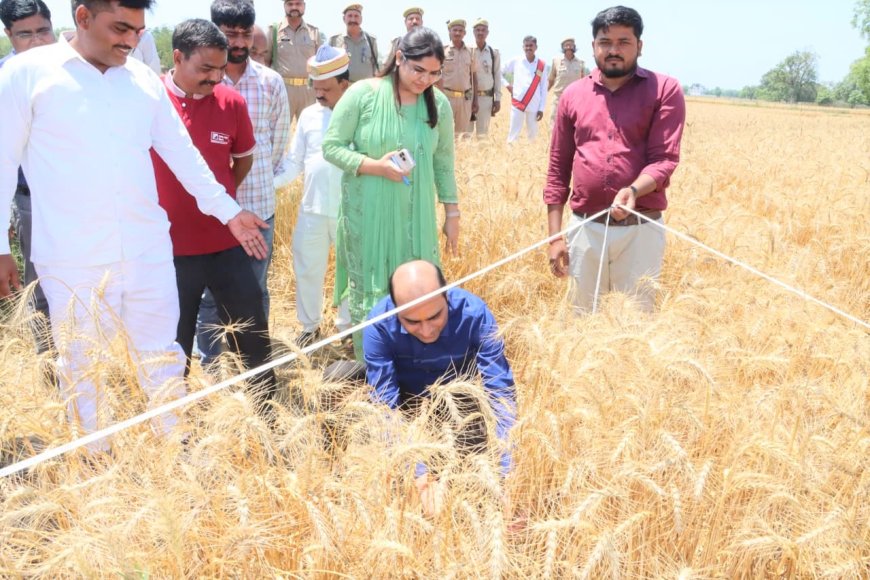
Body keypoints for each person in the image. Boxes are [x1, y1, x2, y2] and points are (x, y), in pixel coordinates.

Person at [0, 0, 269, 443]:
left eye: (139, 30)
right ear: (82, 17)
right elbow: (4, 161)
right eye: (121, 27)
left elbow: (184, 157)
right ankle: (95, 459)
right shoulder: (28, 74)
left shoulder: (143, 81)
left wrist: (230, 213)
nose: (131, 40)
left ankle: (173, 449)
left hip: (147, 250)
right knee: (82, 365)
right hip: (73, 258)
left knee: (163, 355)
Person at [151, 18, 278, 408]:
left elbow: (240, 163)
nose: (215, 79)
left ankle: (265, 413)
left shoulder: (231, 102)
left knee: (251, 334)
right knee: (173, 344)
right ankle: (173, 421)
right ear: (177, 57)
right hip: (167, 249)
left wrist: (222, 201)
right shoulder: (150, 99)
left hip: (226, 242)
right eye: (205, 69)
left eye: (221, 69)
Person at [321, 26, 458, 358]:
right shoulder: (363, 94)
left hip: (418, 217)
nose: (425, 79)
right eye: (418, 70)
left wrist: (452, 212)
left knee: (419, 288)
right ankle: (372, 363)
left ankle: (414, 363)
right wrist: (375, 166)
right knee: (373, 287)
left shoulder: (438, 104)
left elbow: (443, 162)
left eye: (434, 73)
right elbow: (331, 147)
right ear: (399, 58)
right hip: (370, 214)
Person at [544, 6, 686, 313]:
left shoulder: (664, 90)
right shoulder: (573, 95)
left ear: (640, 46)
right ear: (593, 45)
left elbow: (664, 159)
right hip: (584, 229)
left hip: (641, 230)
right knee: (581, 320)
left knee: (635, 322)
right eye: (605, 41)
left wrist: (633, 192)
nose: (613, 50)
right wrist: (555, 237)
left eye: (624, 42)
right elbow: (558, 167)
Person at [363, 260, 515, 513]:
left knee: (471, 465)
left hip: (459, 402)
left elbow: (499, 391)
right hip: (407, 403)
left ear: (447, 296)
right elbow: (384, 404)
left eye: (435, 316)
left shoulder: (475, 314)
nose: (426, 330)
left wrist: (508, 470)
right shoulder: (378, 325)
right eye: (412, 322)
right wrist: (419, 473)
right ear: (395, 309)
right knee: (338, 376)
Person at [197, 0, 291, 365]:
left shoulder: (271, 82)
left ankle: (254, 362)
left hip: (259, 208)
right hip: (212, 213)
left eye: (245, 33)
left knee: (255, 289)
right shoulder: (201, 80)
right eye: (229, 32)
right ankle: (211, 364)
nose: (238, 41)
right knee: (208, 297)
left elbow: (278, 144)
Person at [274, 45, 352, 347]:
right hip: (312, 209)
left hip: (350, 210)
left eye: (326, 89)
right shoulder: (307, 115)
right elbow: (295, 161)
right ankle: (309, 327)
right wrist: (269, 185)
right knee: (307, 269)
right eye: (315, 87)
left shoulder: (361, 114)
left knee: (351, 273)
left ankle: (347, 330)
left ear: (344, 84)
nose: (318, 94)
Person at [0, 0, 55, 354]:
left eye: (43, 31)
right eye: (25, 34)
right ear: (9, 35)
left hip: (87, 197)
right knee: (43, 289)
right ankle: (52, 370)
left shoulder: (77, 70)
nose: (36, 42)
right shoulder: (4, 79)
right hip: (32, 201)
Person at [267, 0, 323, 121]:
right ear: (284, 6)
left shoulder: (314, 32)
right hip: (283, 89)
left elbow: (321, 64)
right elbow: (266, 62)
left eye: (298, 4)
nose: (294, 7)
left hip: (308, 90)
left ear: (304, 6)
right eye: (290, 4)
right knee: (280, 133)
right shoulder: (274, 30)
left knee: (310, 131)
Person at [502, 35, 548, 143]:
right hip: (518, 103)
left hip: (534, 105)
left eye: (531, 46)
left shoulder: (542, 64)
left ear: (536, 47)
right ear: (523, 47)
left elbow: (543, 87)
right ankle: (510, 157)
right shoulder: (516, 61)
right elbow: (499, 71)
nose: (528, 48)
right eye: (526, 46)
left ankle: (532, 158)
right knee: (513, 136)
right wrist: (507, 85)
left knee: (532, 136)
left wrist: (541, 108)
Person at [438, 18, 477, 135]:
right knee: (444, 133)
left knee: (462, 135)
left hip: (465, 99)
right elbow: (437, 74)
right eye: (455, 30)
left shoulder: (471, 51)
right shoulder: (442, 50)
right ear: (449, 32)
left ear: (464, 33)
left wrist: (475, 99)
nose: (457, 33)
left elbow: (473, 76)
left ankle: (461, 154)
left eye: (461, 30)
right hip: (446, 98)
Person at [328, 3, 378, 83]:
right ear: (344, 19)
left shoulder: (371, 40)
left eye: (356, 16)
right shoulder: (334, 40)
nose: (353, 20)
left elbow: (375, 66)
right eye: (350, 16)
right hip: (343, 89)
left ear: (361, 19)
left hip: (366, 89)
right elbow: (328, 66)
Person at [469, 18, 500, 136]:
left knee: (483, 135)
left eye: (483, 30)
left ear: (487, 33)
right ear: (473, 32)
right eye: (477, 30)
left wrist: (498, 99)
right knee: (466, 134)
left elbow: (497, 75)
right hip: (469, 98)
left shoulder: (493, 52)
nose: (480, 33)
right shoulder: (467, 50)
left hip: (486, 99)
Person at [548, 37, 586, 123]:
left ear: (574, 46)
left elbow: (584, 82)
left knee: (574, 124)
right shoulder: (556, 61)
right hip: (558, 98)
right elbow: (551, 80)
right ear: (562, 48)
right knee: (555, 124)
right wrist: (542, 96)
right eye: (566, 45)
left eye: (570, 45)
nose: (568, 47)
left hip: (575, 99)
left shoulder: (581, 63)